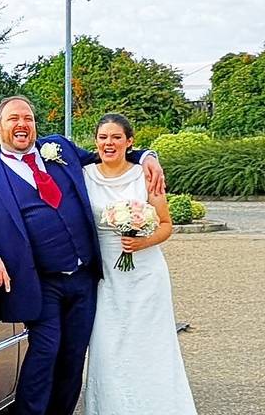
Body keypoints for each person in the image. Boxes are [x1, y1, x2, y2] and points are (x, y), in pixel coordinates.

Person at [0, 95, 165, 415]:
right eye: (13, 119)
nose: (22, 125)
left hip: (84, 278)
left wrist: (147, 155)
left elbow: (105, 155)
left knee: (74, 355)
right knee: (46, 352)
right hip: (38, 282)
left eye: (28, 118)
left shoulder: (58, 148)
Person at [82, 113, 197, 414]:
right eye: (103, 137)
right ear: (95, 141)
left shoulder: (145, 175)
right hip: (105, 275)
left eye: (116, 137)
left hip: (145, 275)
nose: (109, 143)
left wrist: (142, 242)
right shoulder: (83, 175)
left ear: (129, 142)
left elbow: (165, 224)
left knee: (149, 347)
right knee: (108, 347)